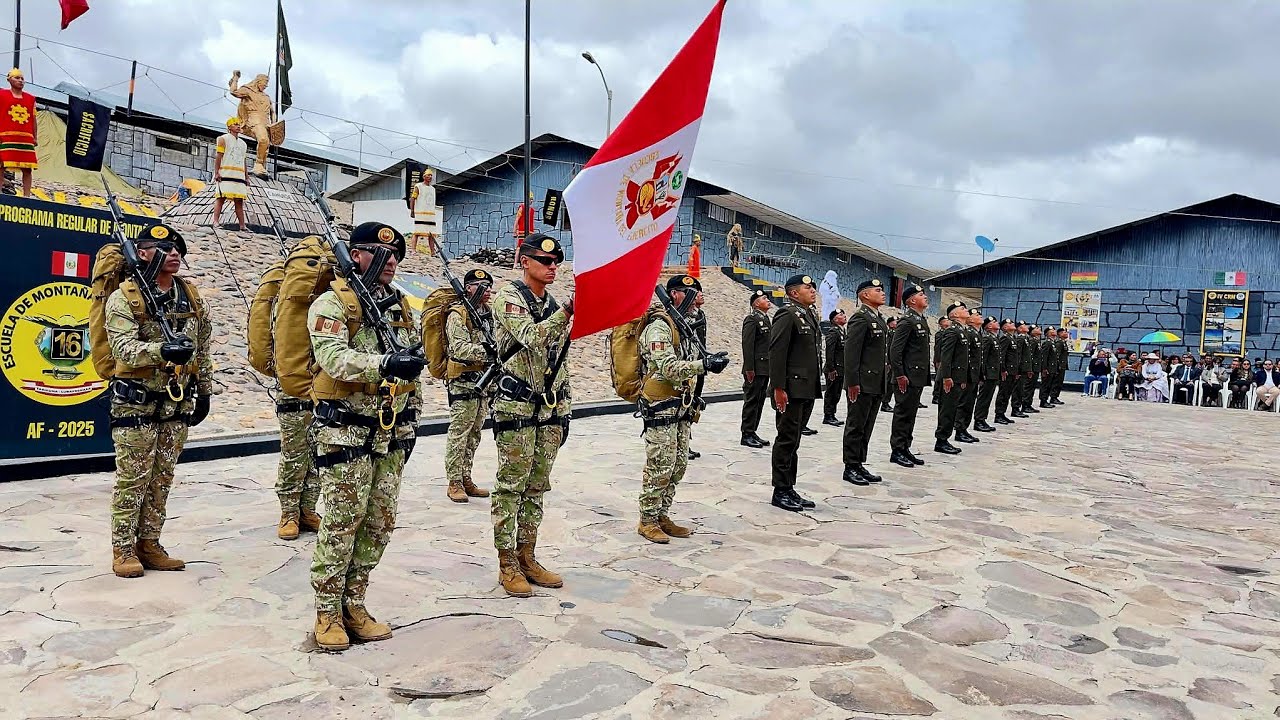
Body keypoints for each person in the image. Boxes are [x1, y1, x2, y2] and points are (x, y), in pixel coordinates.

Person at [308, 222, 421, 651]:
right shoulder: (334, 303)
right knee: (341, 522)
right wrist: (385, 365)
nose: (391, 261)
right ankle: (327, 610)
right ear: (355, 255)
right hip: (347, 431)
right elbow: (334, 359)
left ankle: (355, 601)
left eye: (395, 256)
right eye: (380, 253)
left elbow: (413, 370)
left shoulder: (399, 306)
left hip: (390, 433)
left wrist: (412, 422)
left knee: (379, 522)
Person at [105, 223, 213, 579]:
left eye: (177, 249)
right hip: (136, 402)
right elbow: (122, 348)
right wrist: (161, 350)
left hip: (176, 402)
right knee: (133, 476)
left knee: (162, 476)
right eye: (164, 249)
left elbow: (204, 347)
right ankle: (123, 548)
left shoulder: (191, 296)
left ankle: (150, 542)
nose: (174, 255)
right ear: (142, 252)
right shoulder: (126, 296)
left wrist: (205, 390)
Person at [490, 233, 572, 597]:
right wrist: (569, 312)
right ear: (525, 262)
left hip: (547, 410)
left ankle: (528, 555)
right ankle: (507, 561)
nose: (552, 267)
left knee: (537, 486)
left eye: (556, 262)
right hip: (516, 408)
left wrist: (564, 408)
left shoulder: (551, 303)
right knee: (511, 487)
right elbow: (532, 337)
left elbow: (558, 359)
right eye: (544, 261)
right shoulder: (508, 297)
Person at [636, 275, 727, 543]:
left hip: (681, 405)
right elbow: (667, 367)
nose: (698, 298)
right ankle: (647, 519)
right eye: (690, 292)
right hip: (661, 405)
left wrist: (707, 362)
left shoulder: (684, 326)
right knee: (660, 464)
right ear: (674, 294)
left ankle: (662, 514)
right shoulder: (659, 328)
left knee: (678, 465)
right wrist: (703, 365)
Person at [769, 274, 822, 512]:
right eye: (807, 287)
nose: (812, 290)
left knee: (795, 440)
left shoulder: (808, 314)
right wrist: (778, 388)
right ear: (793, 293)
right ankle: (780, 490)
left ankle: (790, 487)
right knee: (787, 438)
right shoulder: (787, 314)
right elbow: (777, 353)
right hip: (790, 388)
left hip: (806, 388)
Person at [443, 269, 495, 503]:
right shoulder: (458, 314)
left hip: (484, 383)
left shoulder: (488, 314)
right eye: (480, 285)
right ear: (468, 288)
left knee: (474, 434)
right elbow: (459, 348)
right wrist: (490, 352)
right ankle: (453, 481)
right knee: (459, 434)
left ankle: (466, 477)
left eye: (489, 286)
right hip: (463, 382)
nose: (486, 290)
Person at [841, 279, 889, 485]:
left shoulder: (878, 319)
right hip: (861, 382)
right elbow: (851, 354)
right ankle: (850, 466)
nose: (883, 293)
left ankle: (859, 462)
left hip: (875, 381)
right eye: (878, 290)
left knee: (867, 425)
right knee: (856, 425)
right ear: (865, 295)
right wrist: (852, 382)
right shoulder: (860, 319)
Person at [888, 284, 931, 468]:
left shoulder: (920, 320)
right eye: (921, 294)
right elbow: (895, 351)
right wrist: (899, 375)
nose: (925, 297)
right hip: (906, 377)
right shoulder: (907, 321)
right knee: (903, 413)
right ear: (912, 300)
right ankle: (897, 450)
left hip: (917, 376)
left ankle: (905, 447)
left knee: (910, 414)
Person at [933, 302, 971, 455]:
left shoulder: (962, 331)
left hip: (957, 377)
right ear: (954, 315)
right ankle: (941, 440)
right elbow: (946, 357)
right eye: (962, 309)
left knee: (953, 408)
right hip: (950, 378)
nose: (966, 310)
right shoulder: (952, 331)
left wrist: (962, 379)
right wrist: (947, 377)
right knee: (947, 410)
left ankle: (945, 439)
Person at [740, 289, 772, 448]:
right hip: (755, 368)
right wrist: (749, 369)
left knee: (759, 401)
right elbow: (747, 345)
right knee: (752, 401)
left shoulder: (766, 319)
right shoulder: (752, 319)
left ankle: (752, 431)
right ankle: (746, 434)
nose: (768, 300)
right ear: (755, 304)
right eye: (764, 298)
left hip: (765, 368)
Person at [228, 70, 274, 177]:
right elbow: (233, 91)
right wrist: (235, 78)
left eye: (266, 85)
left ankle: (261, 167)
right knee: (263, 139)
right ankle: (258, 164)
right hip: (254, 120)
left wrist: (274, 124)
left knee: (266, 145)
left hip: (265, 122)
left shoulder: (266, 97)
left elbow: (273, 112)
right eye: (264, 84)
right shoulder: (248, 91)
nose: (265, 86)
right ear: (258, 82)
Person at [1, 68, 36, 197]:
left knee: (27, 168)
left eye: (22, 78)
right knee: (2, 164)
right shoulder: (2, 95)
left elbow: (33, 119)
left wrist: (35, 137)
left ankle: (27, 195)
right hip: (6, 135)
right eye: (17, 78)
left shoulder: (30, 99)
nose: (20, 80)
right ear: (9, 79)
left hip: (26, 137)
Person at [211, 118, 250, 231]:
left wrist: (246, 177)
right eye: (235, 124)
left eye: (239, 124)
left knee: (239, 201)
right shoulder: (223, 139)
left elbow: (243, 161)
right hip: (226, 173)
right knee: (221, 197)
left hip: (238, 175)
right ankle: (216, 221)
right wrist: (217, 172)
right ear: (229, 127)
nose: (238, 126)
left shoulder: (243, 144)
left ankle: (242, 225)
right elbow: (219, 156)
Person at [953, 308, 984, 439]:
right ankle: (959, 429)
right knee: (964, 403)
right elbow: (966, 356)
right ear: (970, 319)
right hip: (968, 374)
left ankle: (964, 428)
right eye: (977, 315)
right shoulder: (969, 333)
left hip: (974, 374)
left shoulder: (976, 334)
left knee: (969, 403)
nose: (980, 316)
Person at [687, 290, 709, 461]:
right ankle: (683, 443)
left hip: (699, 365)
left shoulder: (700, 314)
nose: (701, 296)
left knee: (694, 403)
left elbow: (701, 340)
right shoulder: (681, 315)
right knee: (684, 404)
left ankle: (686, 441)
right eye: (697, 294)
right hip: (687, 367)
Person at [971, 315, 1001, 432]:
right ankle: (979, 420)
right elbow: (983, 358)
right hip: (988, 373)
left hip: (993, 373)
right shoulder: (987, 338)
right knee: (983, 398)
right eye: (994, 322)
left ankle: (982, 419)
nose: (997, 323)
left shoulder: (994, 338)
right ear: (988, 326)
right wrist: (982, 373)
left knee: (988, 398)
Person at [994, 318, 1021, 424]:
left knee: (1008, 393)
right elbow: (1002, 355)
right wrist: (1003, 369)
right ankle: (998, 414)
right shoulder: (1005, 338)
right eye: (1010, 323)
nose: (1013, 324)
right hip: (1007, 371)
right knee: (1003, 393)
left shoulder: (1012, 338)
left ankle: (1002, 413)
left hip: (1012, 371)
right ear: (1004, 327)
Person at [822, 308, 846, 426]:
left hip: (841, 368)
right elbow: (829, 351)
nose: (844, 316)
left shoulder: (842, 331)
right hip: (834, 369)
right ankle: (828, 416)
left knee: (836, 393)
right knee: (831, 392)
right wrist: (831, 369)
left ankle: (832, 414)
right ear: (835, 320)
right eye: (841, 315)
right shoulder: (833, 332)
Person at [409, 168, 438, 253]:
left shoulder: (433, 189)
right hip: (420, 212)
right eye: (428, 175)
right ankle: (413, 250)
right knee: (417, 232)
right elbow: (413, 198)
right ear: (424, 176)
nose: (430, 177)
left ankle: (432, 251)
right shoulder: (418, 186)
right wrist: (412, 210)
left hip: (430, 214)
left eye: (431, 175)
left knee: (431, 233)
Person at [930, 316, 952, 407]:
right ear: (940, 324)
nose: (947, 322)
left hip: (946, 359)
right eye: (945, 321)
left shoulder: (949, 332)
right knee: (939, 378)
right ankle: (936, 396)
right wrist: (938, 360)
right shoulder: (940, 334)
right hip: (940, 359)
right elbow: (938, 348)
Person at [1038, 327, 1060, 409]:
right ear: (1047, 333)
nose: (1054, 331)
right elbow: (1044, 357)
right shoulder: (1047, 343)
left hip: (1052, 368)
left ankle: (1046, 399)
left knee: (1049, 385)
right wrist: (1044, 368)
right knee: (1045, 385)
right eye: (1052, 331)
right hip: (1048, 368)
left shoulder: (1053, 343)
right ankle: (1043, 401)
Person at [881, 317, 897, 413]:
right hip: (889, 362)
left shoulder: (896, 333)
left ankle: (886, 402)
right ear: (890, 324)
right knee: (888, 383)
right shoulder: (888, 334)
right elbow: (888, 349)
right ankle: (884, 403)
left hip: (893, 362)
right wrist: (888, 362)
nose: (897, 323)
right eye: (895, 322)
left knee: (890, 384)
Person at [1051, 327, 1070, 404]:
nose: (1066, 333)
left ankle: (1055, 396)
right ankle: (1053, 397)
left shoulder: (1063, 342)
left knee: (1059, 382)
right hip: (1059, 366)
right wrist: (1057, 365)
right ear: (1060, 334)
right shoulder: (1059, 343)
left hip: (1062, 365)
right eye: (1064, 332)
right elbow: (1057, 355)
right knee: (1057, 382)